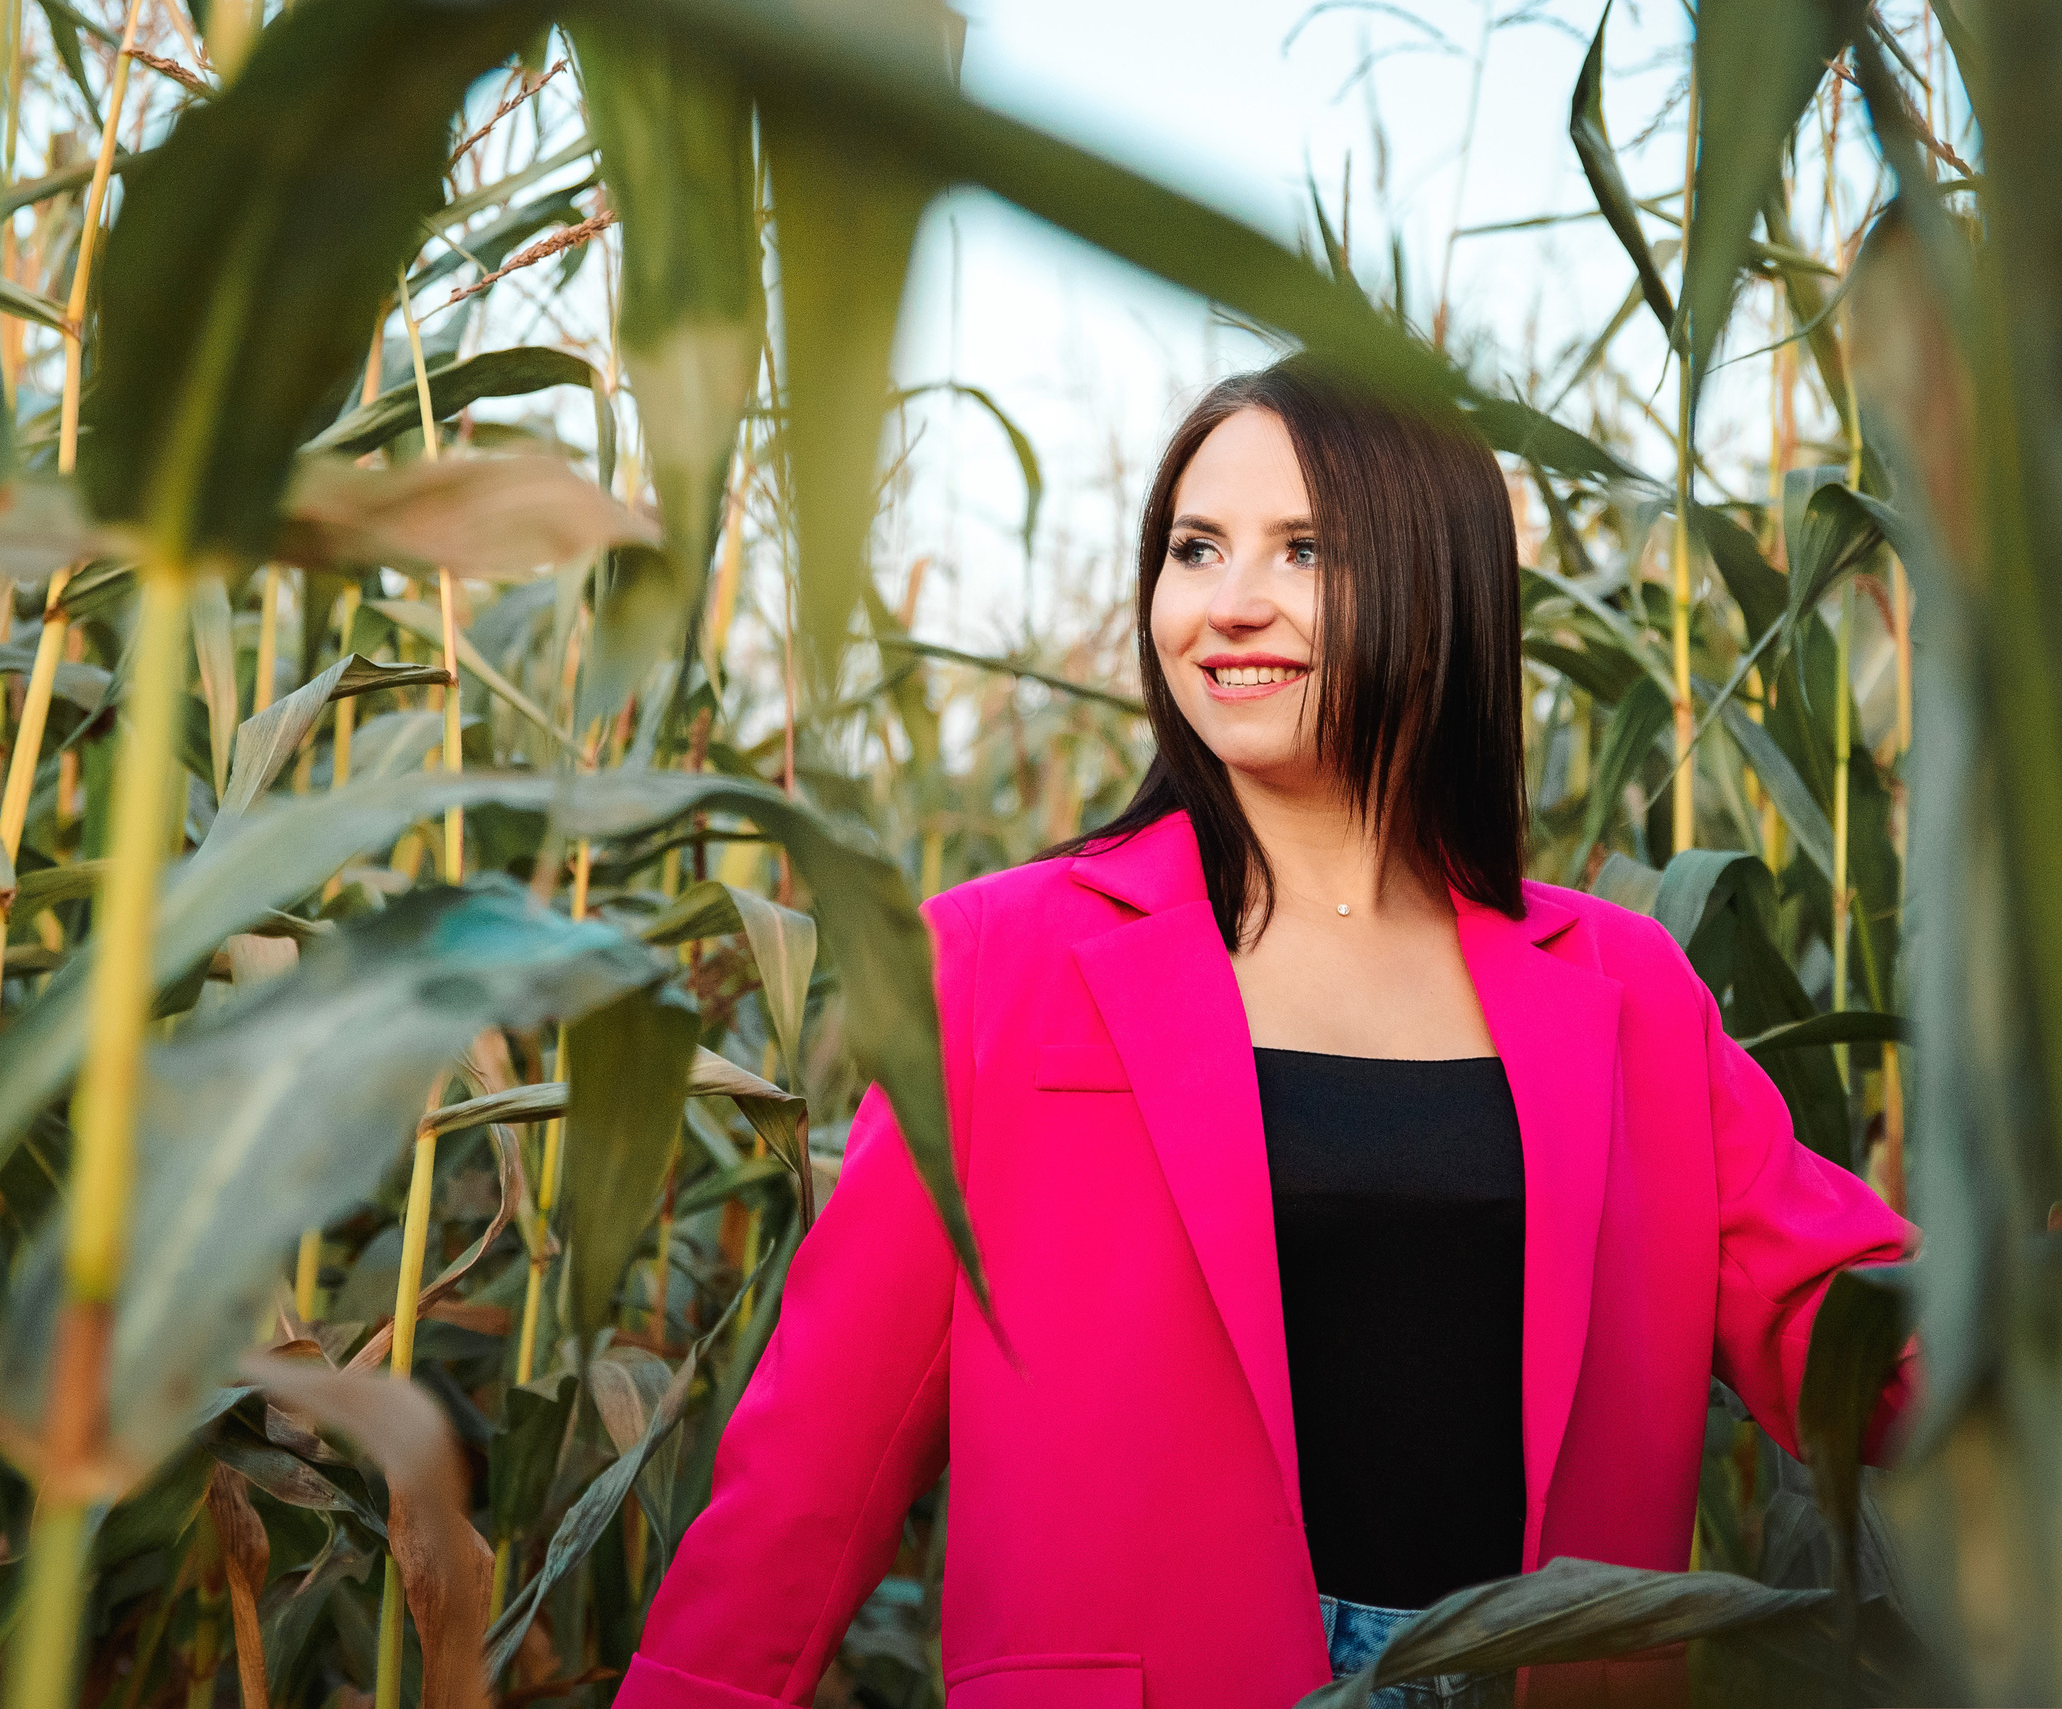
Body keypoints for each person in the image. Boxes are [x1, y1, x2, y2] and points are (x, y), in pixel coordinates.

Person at [617, 361, 1918, 1709]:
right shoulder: (997, 964)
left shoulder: (1629, 987)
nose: (1229, 602)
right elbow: (814, 1467)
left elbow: (1850, 1332)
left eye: (1305, 549)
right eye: (1195, 548)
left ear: (1440, 585)